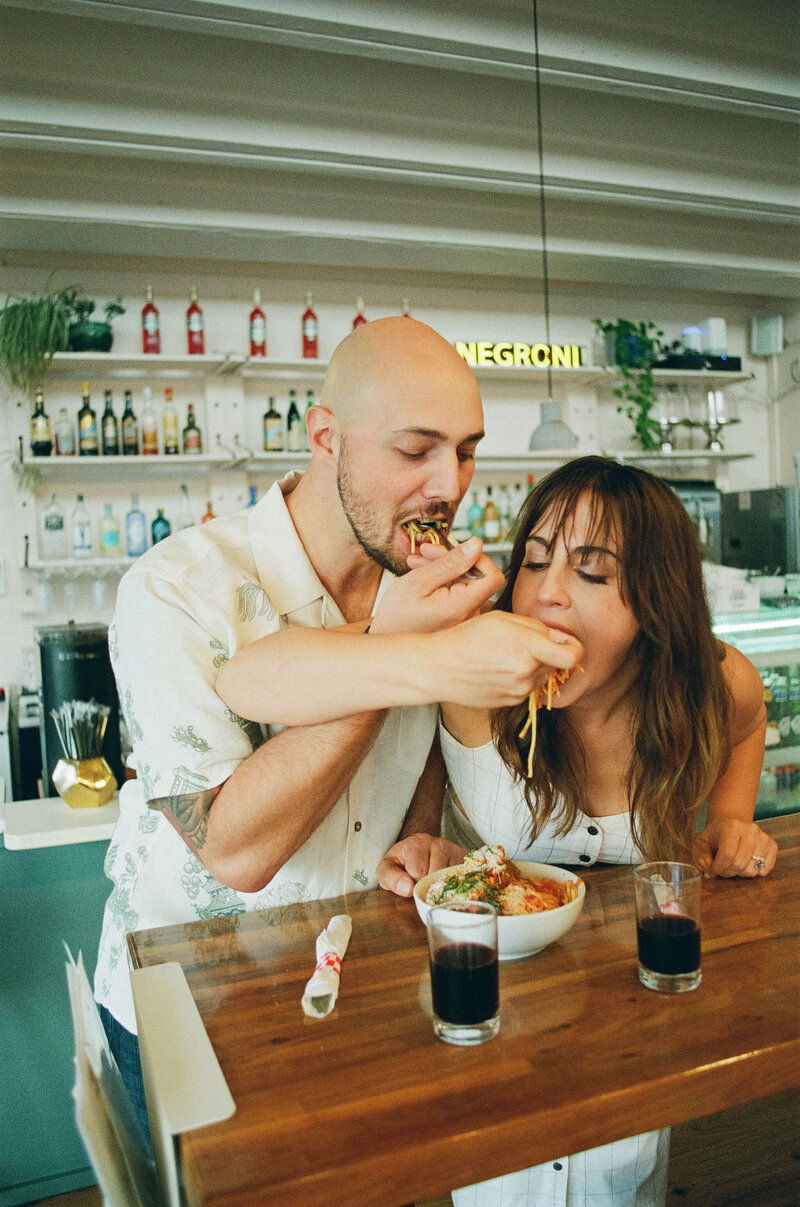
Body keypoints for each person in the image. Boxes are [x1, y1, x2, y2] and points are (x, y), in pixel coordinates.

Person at [216, 455, 777, 1207]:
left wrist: (734, 816)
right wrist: (436, 839)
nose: (547, 593)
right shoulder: (478, 668)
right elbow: (250, 681)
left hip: (633, 1048)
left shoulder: (703, 686)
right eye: (536, 561)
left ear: (657, 600)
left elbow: (751, 716)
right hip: (482, 1041)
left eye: (593, 571)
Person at [94, 315, 575, 1133]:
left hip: (363, 989)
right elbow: (234, 849)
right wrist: (408, 652)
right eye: (415, 449)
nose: (448, 485)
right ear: (326, 437)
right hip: (194, 1010)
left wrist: (421, 832)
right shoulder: (177, 589)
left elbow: (428, 753)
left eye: (465, 449)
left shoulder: (437, 583)